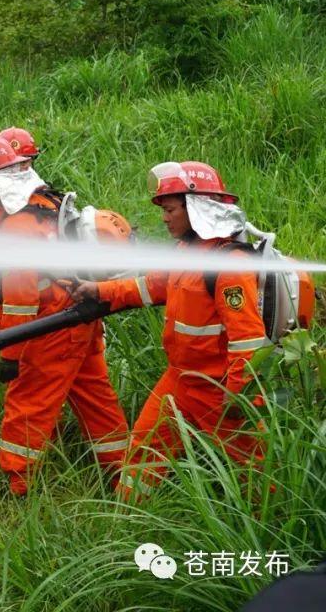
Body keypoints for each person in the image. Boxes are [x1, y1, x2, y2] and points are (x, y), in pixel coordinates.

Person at [70, 161, 269, 499]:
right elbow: (155, 286)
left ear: (196, 208)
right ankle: (126, 517)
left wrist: (238, 397)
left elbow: (247, 340)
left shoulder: (230, 265)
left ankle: (273, 528)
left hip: (217, 389)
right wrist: (101, 291)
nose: (164, 217)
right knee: (143, 453)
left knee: (255, 472)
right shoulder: (186, 251)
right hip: (179, 380)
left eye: (171, 209)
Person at [0, 136, 129, 495]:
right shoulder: (41, 202)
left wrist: (10, 354)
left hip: (49, 328)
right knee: (96, 400)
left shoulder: (18, 223)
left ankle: (18, 487)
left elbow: (20, 297)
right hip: (78, 318)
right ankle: (124, 476)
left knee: (29, 402)